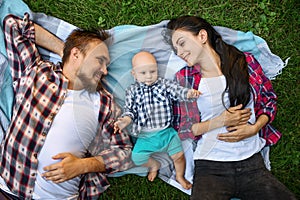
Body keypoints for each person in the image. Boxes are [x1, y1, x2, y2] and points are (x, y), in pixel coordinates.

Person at [0, 13, 133, 199]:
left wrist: (84, 165)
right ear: (76, 53)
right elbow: (13, 25)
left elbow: (125, 153)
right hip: (7, 189)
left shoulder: (103, 103)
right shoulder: (36, 72)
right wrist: (65, 50)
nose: (105, 71)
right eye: (99, 60)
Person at [163, 16, 297, 199]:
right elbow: (184, 129)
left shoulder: (245, 62)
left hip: (252, 163)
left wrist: (255, 128)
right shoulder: (185, 78)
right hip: (210, 166)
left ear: (202, 36)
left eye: (181, 43)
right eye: (175, 49)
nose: (179, 52)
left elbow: (268, 100)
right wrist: (221, 121)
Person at [114, 51, 200, 189]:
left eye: (152, 71)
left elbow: (177, 91)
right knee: (136, 158)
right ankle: (154, 164)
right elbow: (130, 110)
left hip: (167, 133)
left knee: (179, 157)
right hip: (145, 137)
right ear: (134, 74)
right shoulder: (132, 91)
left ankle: (179, 176)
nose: (149, 76)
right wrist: (125, 120)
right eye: (143, 73)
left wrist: (188, 93)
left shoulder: (163, 84)